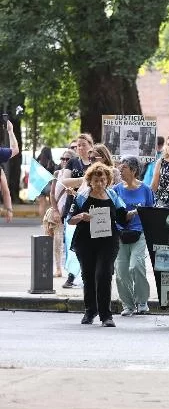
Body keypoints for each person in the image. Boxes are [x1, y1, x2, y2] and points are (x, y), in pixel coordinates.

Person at [66, 163, 131, 327]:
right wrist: (81, 216)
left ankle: (106, 315)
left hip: (108, 241)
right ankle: (90, 311)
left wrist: (139, 212)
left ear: (107, 180)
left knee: (103, 274)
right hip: (85, 241)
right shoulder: (81, 196)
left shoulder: (113, 196)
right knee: (88, 275)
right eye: (96, 180)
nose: (100, 183)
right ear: (90, 181)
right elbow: (70, 219)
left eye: (103, 180)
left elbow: (123, 217)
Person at [113, 157, 155, 316]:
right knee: (121, 271)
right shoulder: (116, 189)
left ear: (133, 170)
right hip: (120, 233)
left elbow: (151, 211)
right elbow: (113, 211)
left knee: (136, 265)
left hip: (140, 232)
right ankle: (128, 305)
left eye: (123, 168)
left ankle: (142, 301)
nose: (120, 171)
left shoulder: (145, 189)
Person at [54, 133, 95, 289]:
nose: (80, 148)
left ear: (90, 146)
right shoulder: (72, 162)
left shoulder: (95, 162)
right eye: (78, 145)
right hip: (74, 206)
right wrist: (84, 179)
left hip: (92, 206)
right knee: (73, 242)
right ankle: (71, 275)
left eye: (84, 145)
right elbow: (64, 181)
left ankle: (88, 275)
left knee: (91, 243)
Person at [35, 146, 57, 217]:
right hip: (49, 185)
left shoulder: (37, 162)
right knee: (52, 204)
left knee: (42, 204)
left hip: (39, 185)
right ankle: (51, 221)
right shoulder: (51, 163)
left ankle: (43, 222)